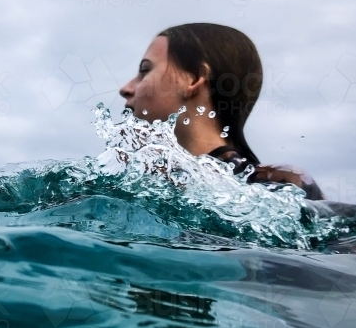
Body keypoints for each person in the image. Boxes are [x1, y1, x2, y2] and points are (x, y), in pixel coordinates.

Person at [118, 23, 323, 199]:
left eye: (145, 70)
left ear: (195, 79)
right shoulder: (143, 185)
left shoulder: (281, 184)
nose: (126, 89)